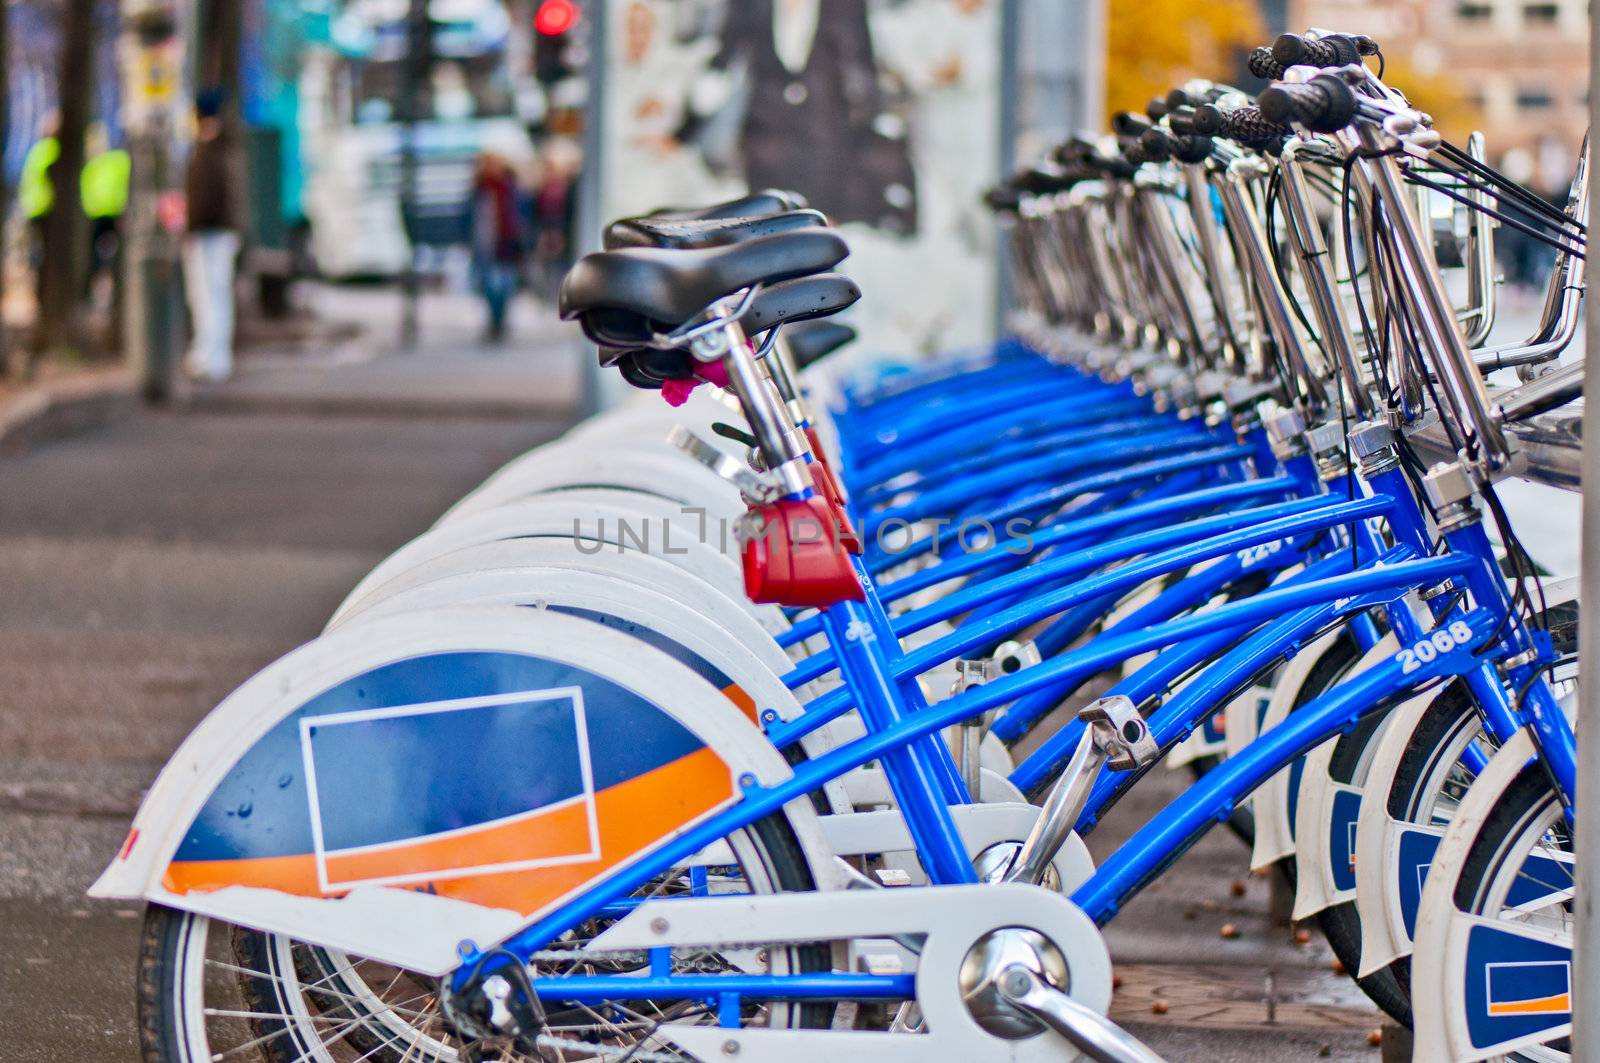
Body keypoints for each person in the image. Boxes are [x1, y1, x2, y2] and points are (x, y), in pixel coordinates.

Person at [182, 90, 240, 382]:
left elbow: (204, 199)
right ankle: (214, 356)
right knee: (216, 295)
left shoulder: (207, 152)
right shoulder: (223, 149)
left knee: (207, 296)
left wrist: (191, 226)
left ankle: (210, 356)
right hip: (219, 233)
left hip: (208, 235)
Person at [469, 150, 526, 341]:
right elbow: (471, 219)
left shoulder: (510, 187)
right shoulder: (479, 189)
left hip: (507, 245)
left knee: (505, 287)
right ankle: (494, 321)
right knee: (490, 287)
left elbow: (521, 215)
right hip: (486, 246)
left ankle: (500, 322)